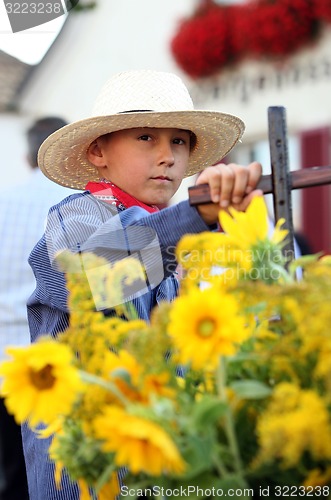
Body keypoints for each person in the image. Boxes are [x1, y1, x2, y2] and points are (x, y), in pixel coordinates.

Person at [22, 70, 262, 499]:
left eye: (179, 141)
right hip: (89, 465)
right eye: (146, 138)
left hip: (163, 457)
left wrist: (242, 231)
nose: (168, 156)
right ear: (98, 152)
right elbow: (98, 279)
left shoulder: (192, 237)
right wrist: (197, 215)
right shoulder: (75, 217)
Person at [0, 117, 76, 500]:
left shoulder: (3, 203)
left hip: (3, 363)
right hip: (57, 368)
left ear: (27, 156)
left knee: (10, 478)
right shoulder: (77, 207)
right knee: (56, 479)